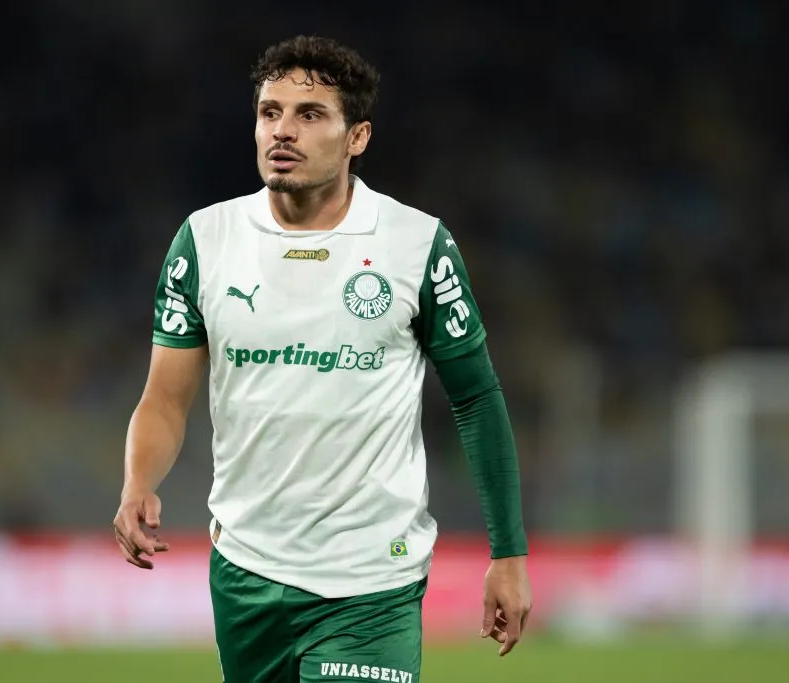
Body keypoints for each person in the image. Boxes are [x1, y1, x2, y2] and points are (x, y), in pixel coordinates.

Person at [112, 34, 531, 682]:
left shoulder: (416, 245)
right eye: (270, 112)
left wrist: (508, 550)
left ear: (357, 136)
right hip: (246, 574)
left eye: (310, 115)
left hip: (372, 580)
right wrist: (139, 481)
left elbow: (475, 397)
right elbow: (166, 396)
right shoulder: (205, 240)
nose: (283, 130)